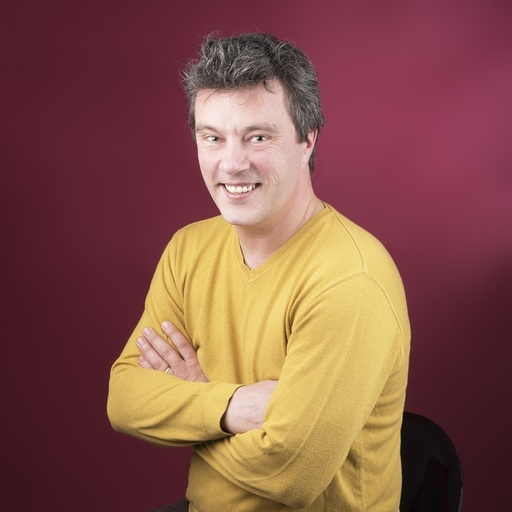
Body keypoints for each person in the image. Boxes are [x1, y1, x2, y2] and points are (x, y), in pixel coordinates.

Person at [107, 32, 410, 512]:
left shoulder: (350, 280)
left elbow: (289, 474)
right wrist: (230, 407)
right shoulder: (189, 249)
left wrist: (194, 407)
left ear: (307, 139)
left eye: (258, 137)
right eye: (213, 137)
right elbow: (124, 399)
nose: (231, 164)